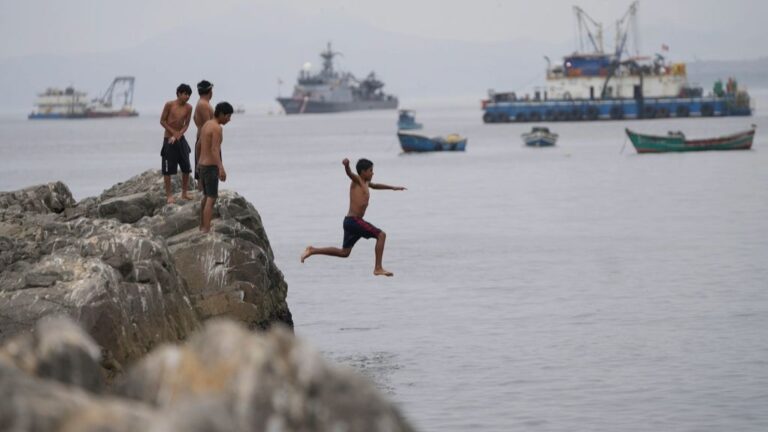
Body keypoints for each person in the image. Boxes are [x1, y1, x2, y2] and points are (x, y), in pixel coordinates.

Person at [301, 158, 406, 277]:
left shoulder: (366, 183)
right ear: (363, 172)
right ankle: (378, 268)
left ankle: (312, 250)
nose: (373, 173)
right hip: (354, 221)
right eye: (371, 170)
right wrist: (346, 166)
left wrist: (393, 188)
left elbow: (376, 185)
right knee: (381, 235)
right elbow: (349, 173)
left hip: (350, 222)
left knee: (344, 253)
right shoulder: (357, 180)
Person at [197, 102, 234, 233]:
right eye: (228, 116)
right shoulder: (217, 128)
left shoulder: (206, 124)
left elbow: (198, 145)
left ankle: (202, 226)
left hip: (202, 165)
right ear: (222, 114)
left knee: (206, 197)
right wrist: (221, 168)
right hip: (210, 167)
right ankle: (206, 229)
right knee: (211, 199)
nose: (229, 119)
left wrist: (198, 165)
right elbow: (214, 150)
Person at [160, 83, 194, 204]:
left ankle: (184, 193)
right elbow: (162, 121)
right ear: (179, 93)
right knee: (167, 169)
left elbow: (186, 124)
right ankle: (169, 195)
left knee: (186, 166)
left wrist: (178, 135)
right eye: (185, 94)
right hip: (168, 139)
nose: (187, 96)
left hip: (180, 138)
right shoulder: (169, 104)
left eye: (189, 95)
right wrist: (173, 134)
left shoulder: (189, 107)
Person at [193, 80, 214, 191]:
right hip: (204, 141)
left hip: (202, 139)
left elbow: (195, 119)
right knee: (203, 170)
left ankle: (203, 192)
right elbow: (207, 126)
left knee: (204, 170)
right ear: (209, 91)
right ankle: (202, 193)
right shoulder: (203, 105)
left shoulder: (201, 103)